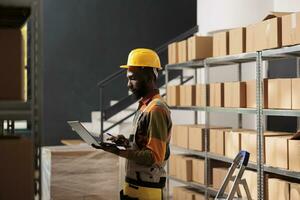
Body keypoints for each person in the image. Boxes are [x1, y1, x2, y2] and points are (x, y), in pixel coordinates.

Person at [92, 48, 172, 200]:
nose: (129, 84)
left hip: (147, 191)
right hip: (136, 186)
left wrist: (118, 152)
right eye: (128, 79)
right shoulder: (144, 106)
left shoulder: (156, 110)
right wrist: (126, 143)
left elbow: (153, 156)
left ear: (149, 78)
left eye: (133, 78)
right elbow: (143, 146)